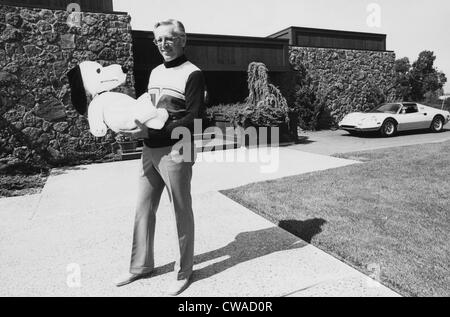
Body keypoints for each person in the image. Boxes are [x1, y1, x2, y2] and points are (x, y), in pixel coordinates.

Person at [114, 19, 205, 296]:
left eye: (168, 38)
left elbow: (195, 118)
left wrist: (156, 133)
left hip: (178, 149)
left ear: (182, 40)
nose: (163, 44)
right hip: (149, 149)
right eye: (158, 40)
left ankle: (184, 272)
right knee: (143, 208)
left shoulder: (194, 73)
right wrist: (132, 126)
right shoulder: (154, 72)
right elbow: (150, 111)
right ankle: (141, 266)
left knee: (180, 210)